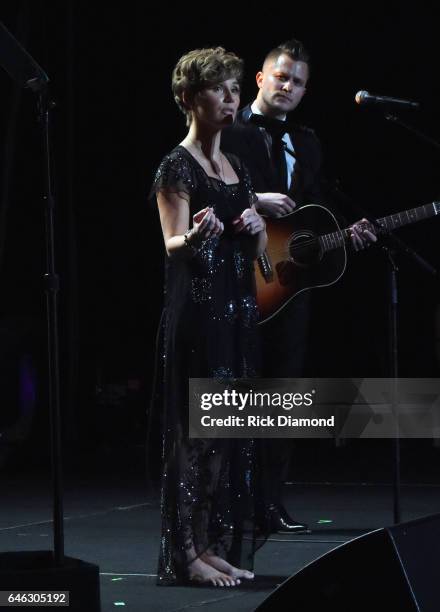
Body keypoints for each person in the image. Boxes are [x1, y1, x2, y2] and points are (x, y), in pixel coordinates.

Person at [222, 38, 376, 534]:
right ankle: (229, 503)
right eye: (282, 77)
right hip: (235, 278)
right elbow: (196, 189)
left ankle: (271, 503)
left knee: (282, 396)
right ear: (261, 79)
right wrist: (253, 198)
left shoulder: (307, 142)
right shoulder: (227, 129)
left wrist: (343, 235)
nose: (289, 87)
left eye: (299, 82)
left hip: (288, 285)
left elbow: (309, 214)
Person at [150, 47, 268, 587]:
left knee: (223, 433)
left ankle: (211, 544)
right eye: (217, 88)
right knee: (192, 437)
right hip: (198, 313)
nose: (230, 96)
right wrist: (194, 237)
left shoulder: (236, 166)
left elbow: (262, 252)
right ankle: (186, 552)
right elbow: (173, 241)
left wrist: (254, 224)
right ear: (187, 99)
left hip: (235, 313)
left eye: (234, 88)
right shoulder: (176, 165)